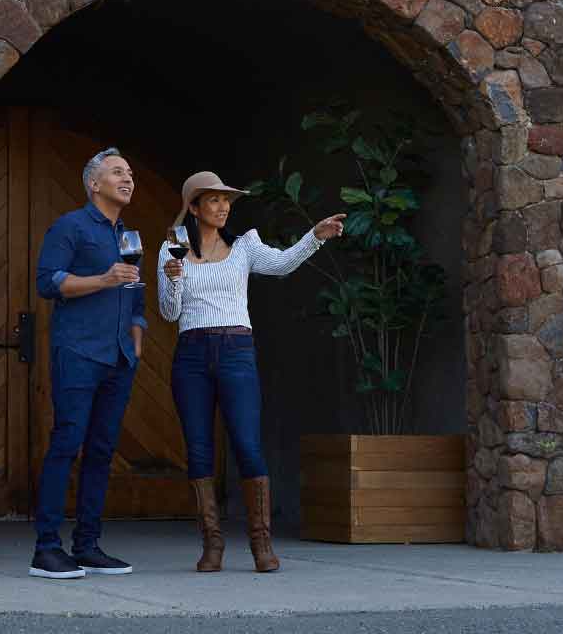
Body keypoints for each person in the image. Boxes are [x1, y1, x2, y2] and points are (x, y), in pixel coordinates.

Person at [159, 169, 344, 573]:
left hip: (236, 350)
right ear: (193, 208)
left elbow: (281, 265)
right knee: (199, 449)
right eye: (213, 200)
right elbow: (169, 311)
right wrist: (173, 281)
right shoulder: (171, 248)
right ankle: (212, 546)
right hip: (191, 353)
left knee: (246, 443)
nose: (223, 207)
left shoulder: (245, 246)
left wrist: (314, 236)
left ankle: (261, 543)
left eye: (226, 200)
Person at [29, 147, 148, 580]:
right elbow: (48, 282)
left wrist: (136, 338)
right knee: (67, 444)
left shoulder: (128, 236)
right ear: (94, 184)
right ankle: (46, 549)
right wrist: (103, 279)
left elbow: (136, 295)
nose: (128, 178)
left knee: (101, 451)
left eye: (130, 172)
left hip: (119, 357)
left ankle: (87, 546)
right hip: (78, 351)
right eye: (118, 172)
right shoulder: (70, 227)